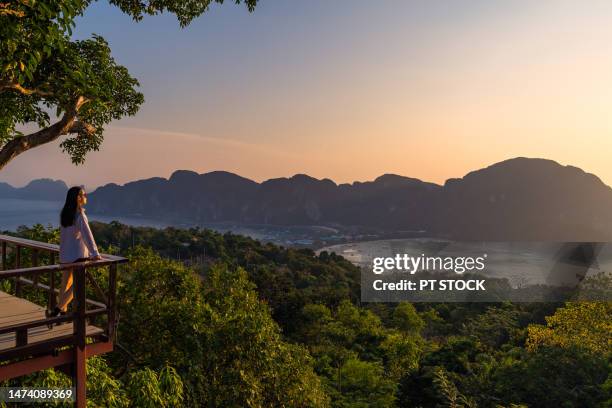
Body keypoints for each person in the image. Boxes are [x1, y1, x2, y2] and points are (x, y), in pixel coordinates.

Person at [46, 186, 102, 318]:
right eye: (83, 194)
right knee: (78, 285)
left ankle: (62, 312)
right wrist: (95, 253)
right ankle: (57, 310)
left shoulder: (65, 213)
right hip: (78, 256)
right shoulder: (80, 215)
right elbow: (88, 235)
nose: (85, 196)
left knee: (65, 284)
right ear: (77, 198)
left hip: (65, 255)